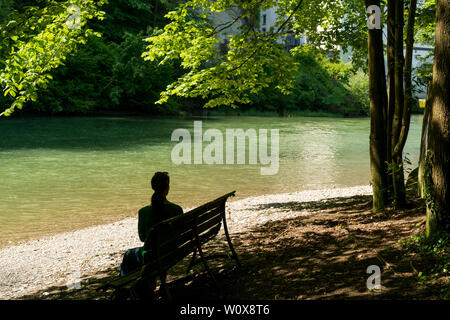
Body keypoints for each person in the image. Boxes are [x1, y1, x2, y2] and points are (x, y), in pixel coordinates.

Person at [119, 172, 183, 277]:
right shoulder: (177, 209)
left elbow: (143, 238)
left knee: (128, 255)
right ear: (167, 187)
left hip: (152, 256)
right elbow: (181, 233)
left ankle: (128, 286)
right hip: (172, 253)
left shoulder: (143, 212)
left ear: (153, 187)